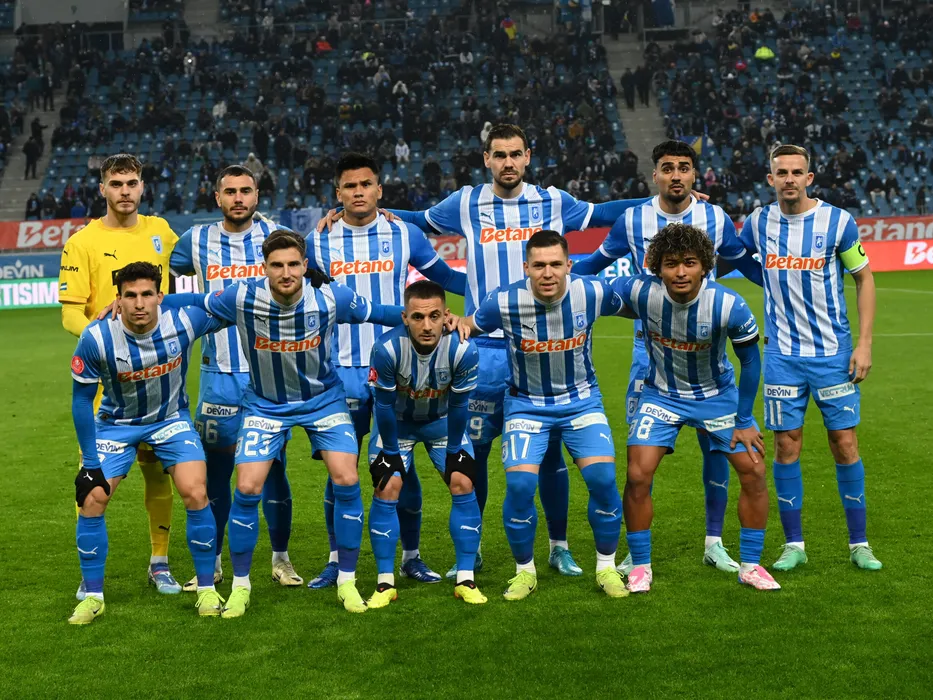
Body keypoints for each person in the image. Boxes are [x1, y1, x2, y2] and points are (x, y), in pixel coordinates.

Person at [318, 124, 662, 579]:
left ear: (528, 156)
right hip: (483, 347)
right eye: (499, 155)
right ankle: (473, 545)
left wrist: (662, 200)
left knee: (551, 452)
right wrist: (350, 208)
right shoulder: (465, 202)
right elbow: (419, 218)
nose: (508, 162)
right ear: (487, 159)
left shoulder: (553, 201)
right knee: (473, 450)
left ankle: (558, 546)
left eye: (515, 154)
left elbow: (605, 212)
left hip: (543, 342)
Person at [160, 229, 413, 615]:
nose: (286, 272)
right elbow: (195, 300)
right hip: (265, 405)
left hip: (323, 402)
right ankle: (241, 587)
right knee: (247, 487)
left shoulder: (331, 297)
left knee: (347, 479)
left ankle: (347, 582)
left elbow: (379, 312)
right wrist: (152, 301)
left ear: (305, 265)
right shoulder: (242, 296)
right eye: (277, 265)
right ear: (264, 267)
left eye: (294, 264)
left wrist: (432, 318)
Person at [573, 140, 762, 575]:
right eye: (667, 168)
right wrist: (556, 281)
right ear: (654, 175)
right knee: (640, 462)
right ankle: (636, 552)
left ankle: (714, 542)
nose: (676, 175)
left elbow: (739, 262)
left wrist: (781, 280)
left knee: (717, 451)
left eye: (684, 168)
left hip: (705, 351)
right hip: (650, 352)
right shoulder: (633, 219)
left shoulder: (714, 217)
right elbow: (596, 263)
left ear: (695, 174)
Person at [305, 153, 467, 588]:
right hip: (337, 371)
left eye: (366, 184)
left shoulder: (404, 233)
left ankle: (411, 557)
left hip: (400, 370)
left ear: (380, 189)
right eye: (350, 186)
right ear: (337, 194)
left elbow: (446, 279)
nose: (358, 192)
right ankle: (337, 559)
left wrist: (487, 300)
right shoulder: (316, 241)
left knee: (401, 465)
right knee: (341, 471)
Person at [462, 230, 629, 601]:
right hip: (526, 405)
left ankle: (606, 567)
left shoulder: (592, 291)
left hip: (582, 402)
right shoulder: (504, 301)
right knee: (521, 487)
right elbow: (469, 325)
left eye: (555, 264)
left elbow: (638, 303)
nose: (548, 273)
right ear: (526, 267)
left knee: (603, 479)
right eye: (539, 265)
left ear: (569, 265)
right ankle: (525, 572)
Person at [613, 223, 779, 593]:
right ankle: (640, 566)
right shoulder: (640, 291)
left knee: (753, 470)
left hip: (716, 396)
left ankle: (751, 565)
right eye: (671, 263)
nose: (680, 272)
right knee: (638, 474)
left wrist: (744, 419)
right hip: (661, 396)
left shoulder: (729, 304)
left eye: (689, 262)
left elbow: (751, 362)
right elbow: (588, 292)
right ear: (657, 267)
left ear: (705, 266)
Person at [740, 144, 881, 572]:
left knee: (845, 443)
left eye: (796, 172)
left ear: (809, 178)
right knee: (786, 445)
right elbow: (733, 254)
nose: (789, 179)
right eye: (781, 172)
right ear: (770, 179)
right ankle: (794, 545)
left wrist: (864, 344)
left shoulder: (838, 222)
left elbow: (864, 278)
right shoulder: (758, 222)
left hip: (832, 354)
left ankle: (859, 544)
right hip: (782, 355)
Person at [68, 262, 225, 624]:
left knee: (196, 492)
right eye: (130, 296)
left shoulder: (183, 321)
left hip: (170, 421)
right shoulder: (96, 337)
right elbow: (80, 401)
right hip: (115, 425)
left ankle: (206, 589)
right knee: (92, 497)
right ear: (118, 300)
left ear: (159, 296)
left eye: (146, 295)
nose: (139, 304)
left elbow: (230, 302)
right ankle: (93, 596)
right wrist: (90, 463)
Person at [170, 165, 303, 591]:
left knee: (274, 469)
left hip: (270, 375)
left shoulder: (277, 235)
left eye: (246, 190)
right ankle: (214, 564)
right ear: (217, 197)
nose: (239, 198)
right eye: (230, 192)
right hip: (219, 376)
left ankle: (281, 559)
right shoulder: (196, 240)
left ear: (257, 194)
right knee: (216, 472)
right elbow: (164, 272)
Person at [59, 153, 181, 600]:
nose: (125, 191)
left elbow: (209, 254)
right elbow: (71, 314)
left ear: (142, 187)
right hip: (108, 387)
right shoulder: (82, 242)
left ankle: (159, 562)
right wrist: (105, 336)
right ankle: (89, 573)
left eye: (132, 183)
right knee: (92, 484)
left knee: (158, 474)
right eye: (116, 184)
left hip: (159, 380)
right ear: (103, 189)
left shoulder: (161, 232)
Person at [365, 280, 487, 607]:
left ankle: (465, 579)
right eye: (418, 317)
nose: (427, 325)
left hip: (442, 424)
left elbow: (460, 405)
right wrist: (391, 453)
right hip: (397, 426)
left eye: (434, 316)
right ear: (405, 318)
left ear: (446, 315)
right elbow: (383, 406)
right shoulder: (386, 349)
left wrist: (454, 451)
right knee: (388, 486)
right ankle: (385, 583)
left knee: (463, 481)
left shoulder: (463, 349)